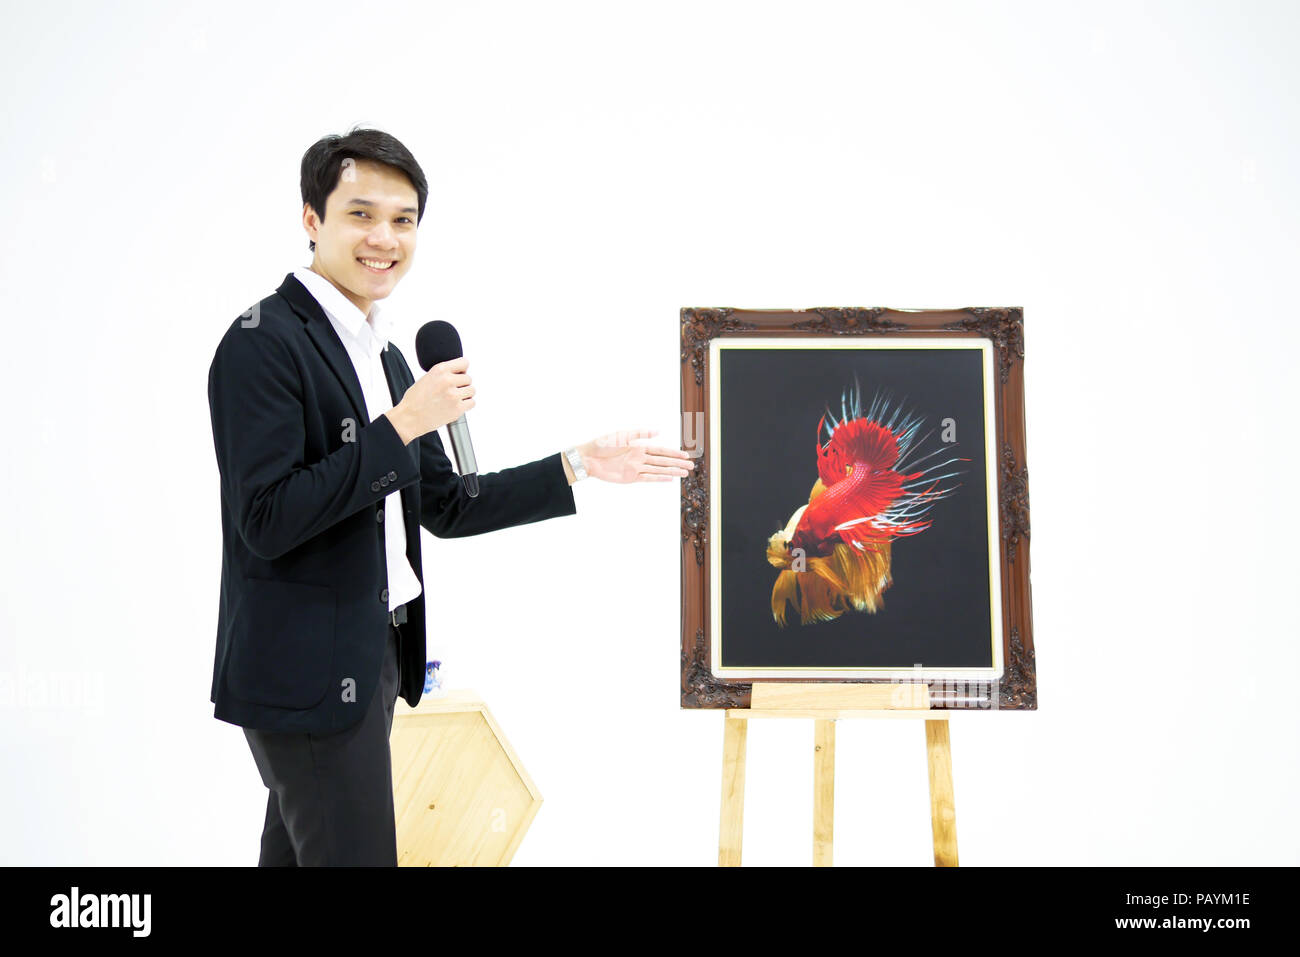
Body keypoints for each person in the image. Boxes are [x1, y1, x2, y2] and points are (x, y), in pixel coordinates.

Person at [206, 127, 694, 866]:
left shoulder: (386, 351)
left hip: (369, 658)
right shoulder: (262, 342)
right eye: (361, 214)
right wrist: (401, 423)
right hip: (306, 672)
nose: (385, 238)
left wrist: (581, 463)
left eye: (404, 221)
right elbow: (267, 519)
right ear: (312, 220)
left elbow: (446, 503)